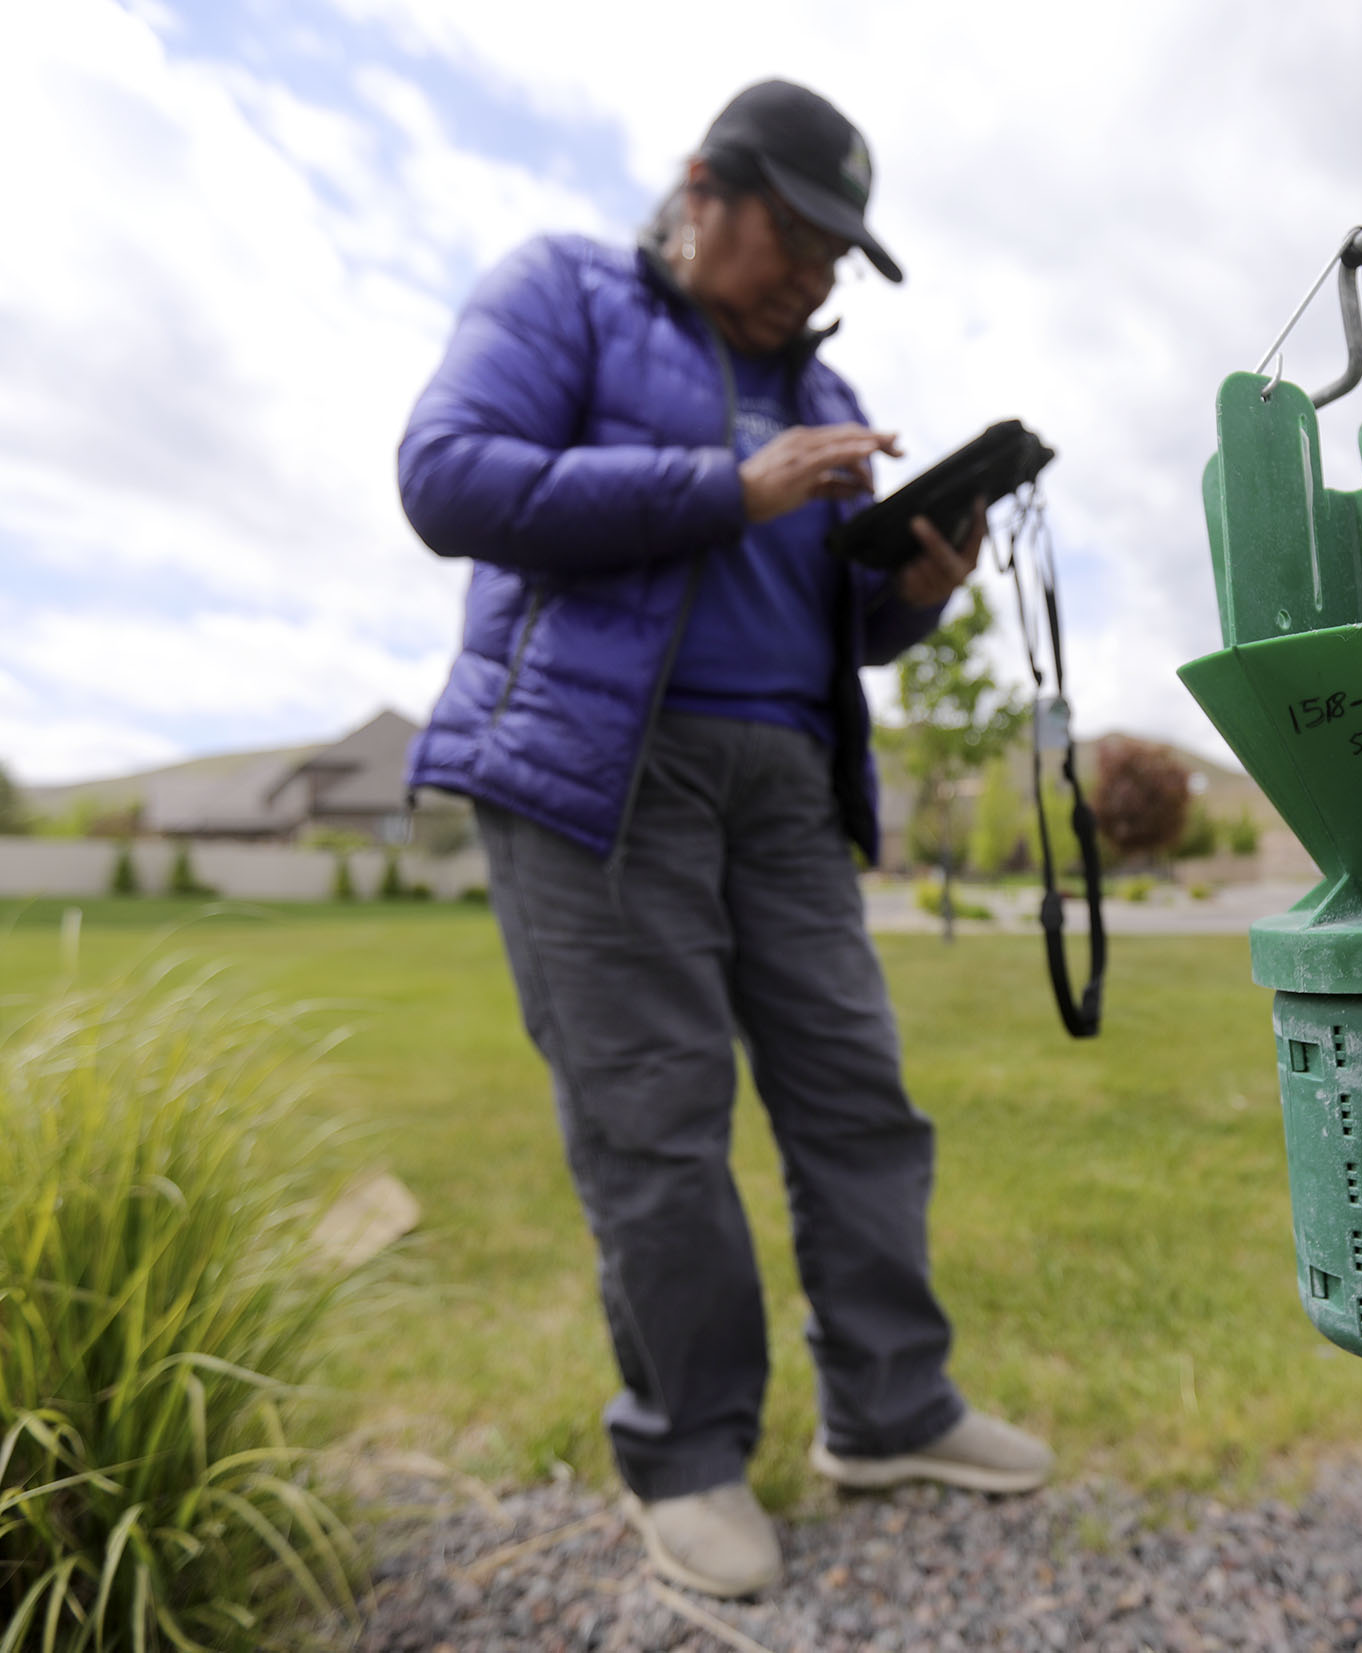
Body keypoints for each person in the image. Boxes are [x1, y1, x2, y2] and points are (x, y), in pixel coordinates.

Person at [395, 79, 1050, 1599]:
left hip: (788, 786)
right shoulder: (562, 291)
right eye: (801, 235)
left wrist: (914, 592)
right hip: (600, 774)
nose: (820, 273)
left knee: (859, 1103)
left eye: (844, 254)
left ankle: (892, 1407)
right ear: (705, 188)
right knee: (658, 1125)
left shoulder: (825, 400)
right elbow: (446, 477)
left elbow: (836, 623)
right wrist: (720, 485)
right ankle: (689, 1455)